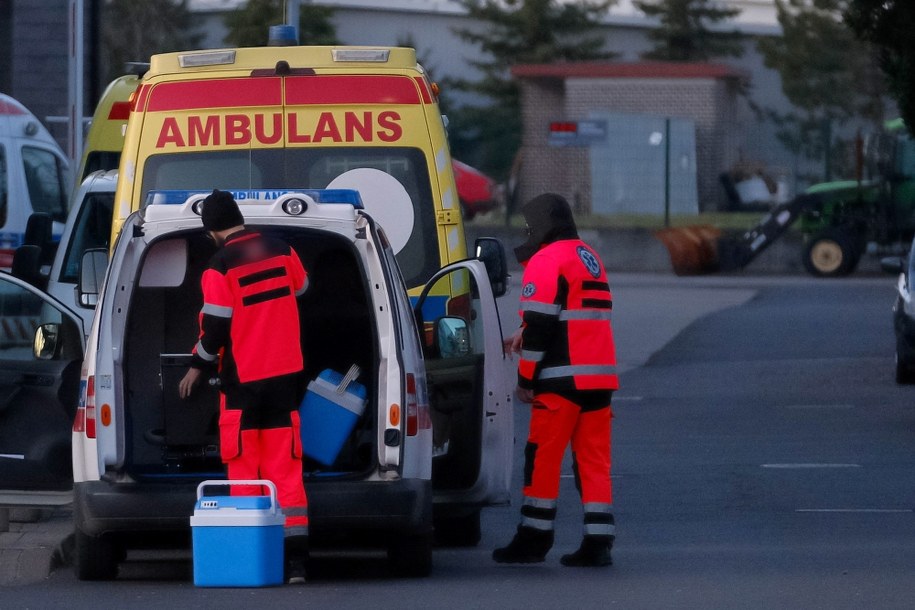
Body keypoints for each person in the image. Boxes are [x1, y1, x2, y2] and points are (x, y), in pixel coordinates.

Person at [178, 189, 311, 584]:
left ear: (211, 233)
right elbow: (303, 288)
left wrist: (195, 366)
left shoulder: (218, 266)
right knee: (285, 472)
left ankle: (252, 558)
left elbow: (216, 327)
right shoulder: (282, 248)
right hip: (287, 378)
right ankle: (296, 564)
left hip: (244, 383)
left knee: (245, 469)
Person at [493, 192, 618, 567]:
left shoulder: (546, 259)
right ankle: (599, 542)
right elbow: (573, 314)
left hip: (561, 380)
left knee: (542, 458)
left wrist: (526, 379)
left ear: (542, 225)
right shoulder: (589, 257)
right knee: (593, 462)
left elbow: (543, 324)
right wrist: (525, 328)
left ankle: (534, 538)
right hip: (599, 380)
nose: (527, 233)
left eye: (530, 226)